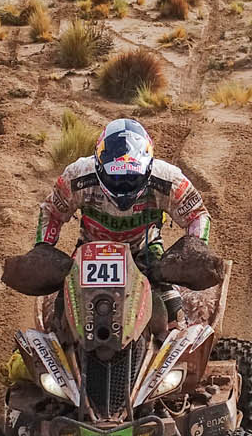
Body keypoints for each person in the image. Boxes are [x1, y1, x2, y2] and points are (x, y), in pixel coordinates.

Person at [35, 118, 211, 322]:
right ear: (99, 166)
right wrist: (44, 248)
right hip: (90, 250)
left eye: (131, 178)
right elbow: (52, 211)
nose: (124, 185)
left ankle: (173, 345)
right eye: (117, 179)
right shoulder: (77, 176)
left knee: (172, 311)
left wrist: (194, 249)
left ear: (148, 167)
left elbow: (197, 214)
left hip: (145, 251)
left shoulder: (168, 179)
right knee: (62, 312)